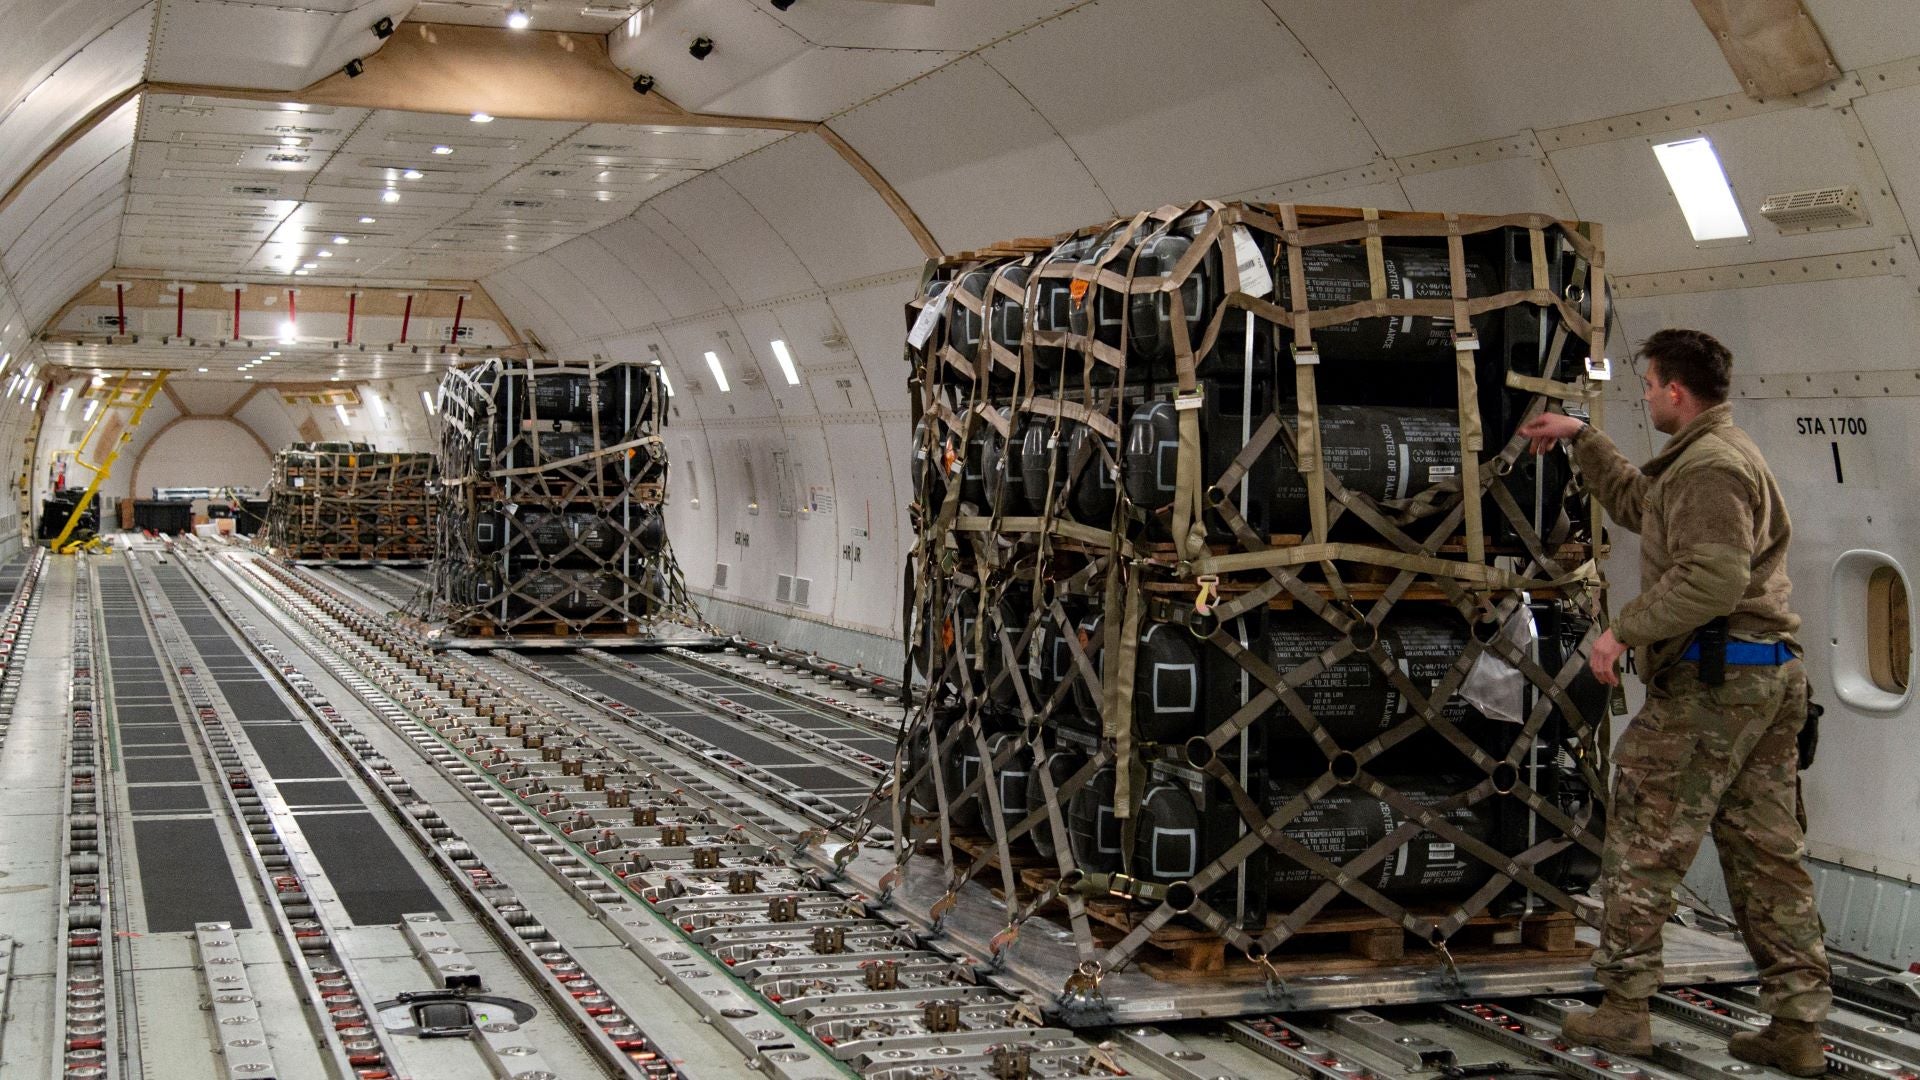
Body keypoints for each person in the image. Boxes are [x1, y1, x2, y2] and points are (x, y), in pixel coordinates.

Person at [1517, 329, 1829, 1075]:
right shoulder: (1705, 458)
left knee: (1645, 841)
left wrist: (1620, 633)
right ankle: (1797, 1025)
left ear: (1675, 392)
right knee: (1765, 855)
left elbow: (1712, 581)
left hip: (1716, 685)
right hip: (1761, 680)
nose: (1647, 395)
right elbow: (1639, 502)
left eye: (1650, 386)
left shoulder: (1713, 470)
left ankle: (1624, 1010)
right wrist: (1582, 438)